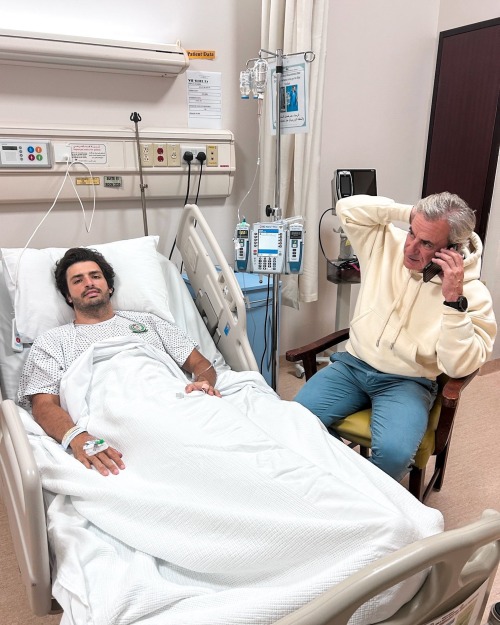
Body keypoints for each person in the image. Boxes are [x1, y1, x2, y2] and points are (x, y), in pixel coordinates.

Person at [294, 192, 496, 481]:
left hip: (408, 381)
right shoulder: (385, 244)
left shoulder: (473, 294)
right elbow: (346, 208)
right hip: (353, 366)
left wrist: (453, 302)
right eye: (412, 232)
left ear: (452, 251)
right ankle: (339, 483)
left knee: (394, 455)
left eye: (427, 243)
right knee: (296, 420)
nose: (410, 248)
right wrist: (412, 214)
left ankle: (358, 497)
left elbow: (459, 367)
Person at [18, 247, 221, 477]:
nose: (89, 283)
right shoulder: (53, 340)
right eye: (78, 280)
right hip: (117, 412)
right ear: (68, 296)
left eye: (95, 276)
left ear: (109, 287)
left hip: (172, 400)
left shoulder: (149, 322)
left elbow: (200, 363)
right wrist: (77, 437)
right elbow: (43, 405)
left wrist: (203, 381)